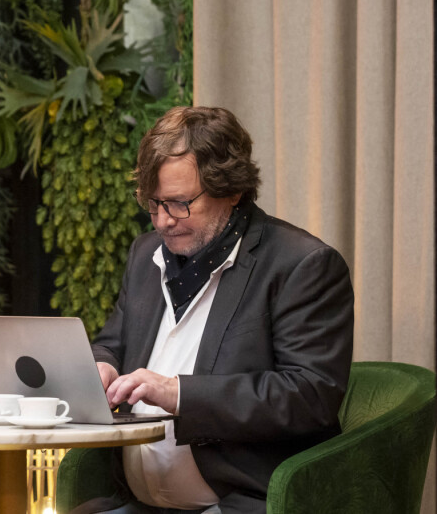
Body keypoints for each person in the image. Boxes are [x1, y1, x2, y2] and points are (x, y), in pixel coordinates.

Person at [89, 106, 354, 514]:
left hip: (240, 502)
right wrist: (101, 367)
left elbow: (309, 396)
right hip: (136, 502)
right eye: (153, 202)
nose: (162, 221)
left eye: (179, 203)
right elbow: (113, 343)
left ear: (232, 190)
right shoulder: (145, 255)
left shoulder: (300, 265)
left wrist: (180, 394)